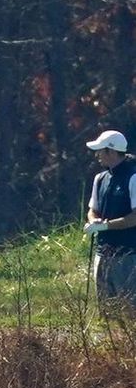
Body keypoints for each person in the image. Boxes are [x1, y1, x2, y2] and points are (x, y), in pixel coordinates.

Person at [84, 130, 136, 315]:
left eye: (100, 151)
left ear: (112, 152)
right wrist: (94, 221)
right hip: (103, 252)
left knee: (129, 311)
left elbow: (134, 217)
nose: (97, 155)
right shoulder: (100, 178)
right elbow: (93, 209)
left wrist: (106, 225)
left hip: (128, 255)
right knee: (106, 312)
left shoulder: (133, 177)